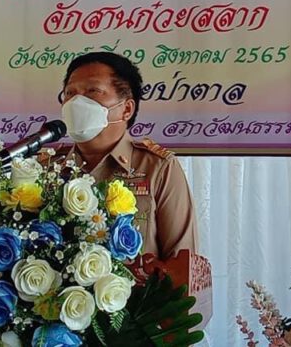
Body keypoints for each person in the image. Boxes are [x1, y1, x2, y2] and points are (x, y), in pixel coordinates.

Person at [57, 51, 198, 260]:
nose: (76, 102)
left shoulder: (158, 167)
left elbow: (183, 266)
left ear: (127, 109)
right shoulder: (48, 168)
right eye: (70, 93)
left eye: (93, 91)